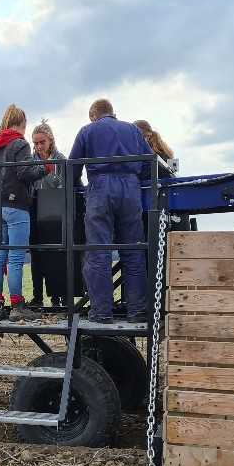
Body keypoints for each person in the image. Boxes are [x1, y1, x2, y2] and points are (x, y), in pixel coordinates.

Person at [69, 99, 154, 323]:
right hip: (130, 190)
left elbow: (72, 168)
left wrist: (77, 187)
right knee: (134, 251)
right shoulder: (134, 130)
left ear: (93, 115)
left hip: (100, 189)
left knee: (99, 253)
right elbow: (149, 162)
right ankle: (137, 311)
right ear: (112, 113)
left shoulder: (87, 131)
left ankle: (102, 313)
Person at [0, 104, 47, 320]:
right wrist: (45, 167)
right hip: (16, 207)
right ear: (21, 124)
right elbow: (25, 172)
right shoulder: (19, 144)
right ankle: (18, 306)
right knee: (17, 258)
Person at [27, 119, 66, 308]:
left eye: (42, 142)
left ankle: (58, 297)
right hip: (35, 210)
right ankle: (37, 297)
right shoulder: (30, 161)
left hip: (55, 211)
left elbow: (60, 183)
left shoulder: (60, 158)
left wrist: (46, 167)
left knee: (56, 255)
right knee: (36, 256)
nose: (38, 146)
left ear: (50, 140)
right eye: (35, 143)